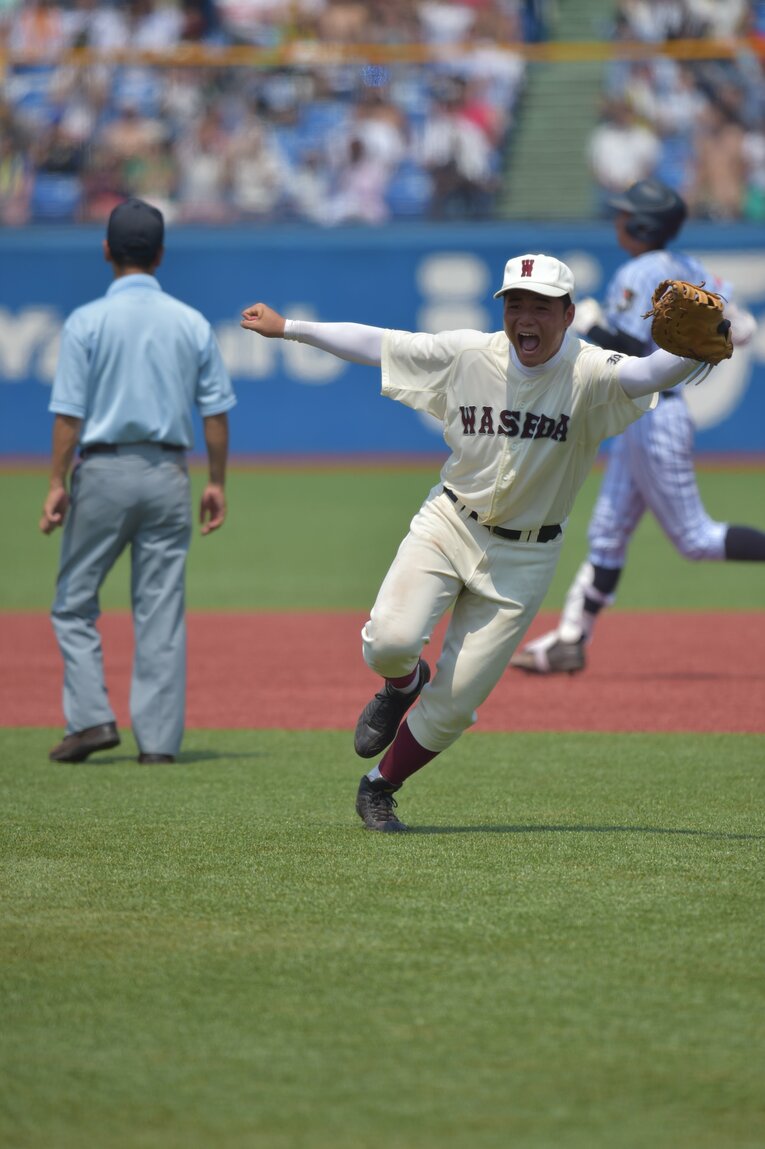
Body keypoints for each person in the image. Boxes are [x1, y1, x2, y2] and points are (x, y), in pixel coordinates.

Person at [240, 251, 718, 831]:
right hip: (450, 522)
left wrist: (686, 352)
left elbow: (645, 375)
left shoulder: (589, 370)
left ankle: (379, 788)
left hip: (525, 557)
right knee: (388, 641)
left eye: (541, 306)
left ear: (568, 314)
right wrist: (290, 328)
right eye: (515, 304)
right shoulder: (470, 354)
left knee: (457, 704)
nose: (525, 318)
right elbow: (378, 344)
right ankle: (403, 684)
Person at [510, 180, 764, 677]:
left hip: (655, 415)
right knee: (607, 534)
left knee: (695, 538)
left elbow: (627, 351)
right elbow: (742, 325)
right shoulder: (686, 264)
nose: (618, 220)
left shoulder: (639, 270)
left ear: (644, 225)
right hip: (645, 415)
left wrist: (589, 324)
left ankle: (570, 638)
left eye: (625, 215)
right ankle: (570, 640)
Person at [41, 196, 236, 764]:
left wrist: (56, 482)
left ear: (106, 250)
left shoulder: (86, 321)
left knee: (74, 602)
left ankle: (90, 719)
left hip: (102, 470)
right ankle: (158, 745)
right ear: (160, 255)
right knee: (160, 611)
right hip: (169, 473)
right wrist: (216, 481)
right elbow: (215, 413)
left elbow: (68, 415)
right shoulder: (190, 322)